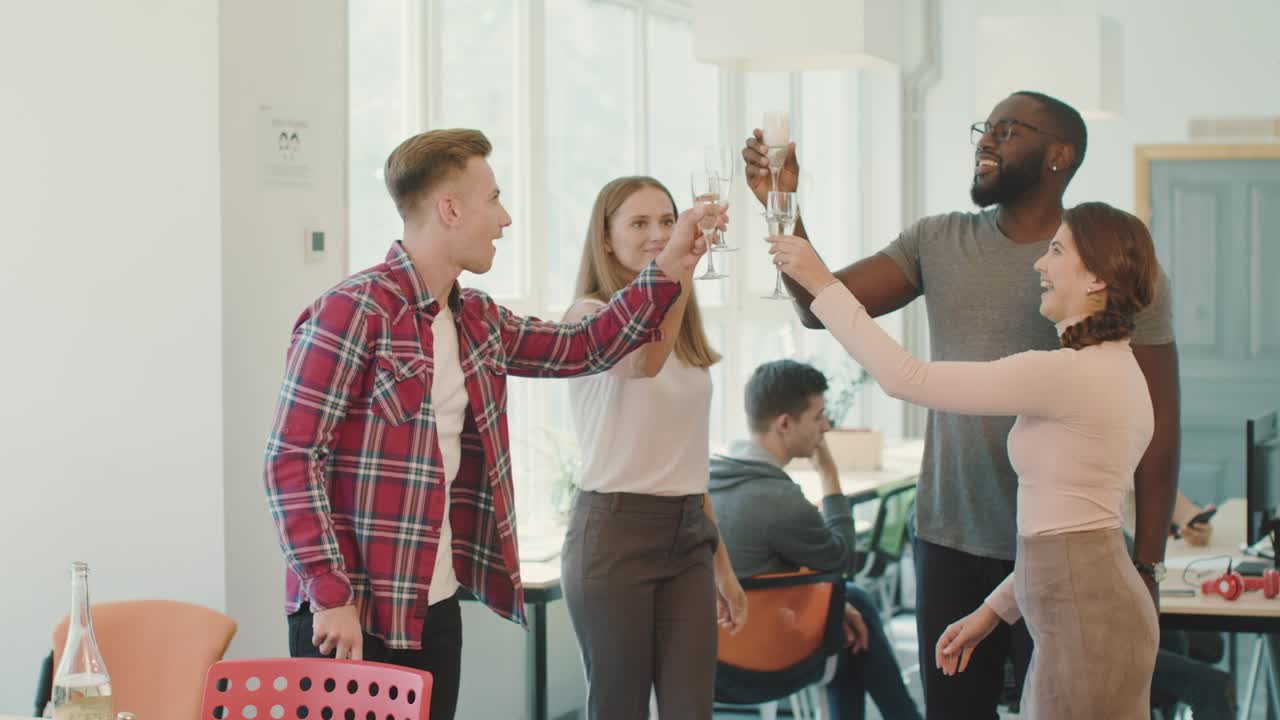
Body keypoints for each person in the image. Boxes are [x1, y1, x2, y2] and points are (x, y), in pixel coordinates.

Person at [743, 90, 1181, 718]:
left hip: (1076, 583)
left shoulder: (1080, 350)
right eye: (985, 126)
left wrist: (1150, 564)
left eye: (1008, 129)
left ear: (1059, 154)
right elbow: (823, 313)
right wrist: (782, 211)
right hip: (972, 544)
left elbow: (906, 376)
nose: (985, 140)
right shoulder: (942, 242)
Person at [262, 131, 713, 720]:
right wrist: (328, 594)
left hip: (433, 605)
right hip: (352, 612)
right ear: (449, 209)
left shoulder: (476, 317)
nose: (504, 219)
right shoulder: (354, 310)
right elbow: (291, 460)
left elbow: (585, 345)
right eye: (493, 199)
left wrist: (672, 263)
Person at [560, 176, 747, 720]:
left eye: (667, 221)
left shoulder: (683, 326)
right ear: (607, 237)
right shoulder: (588, 315)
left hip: (688, 534)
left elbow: (688, 461)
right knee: (620, 711)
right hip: (614, 535)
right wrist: (680, 263)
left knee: (693, 712)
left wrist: (723, 568)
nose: (657, 233)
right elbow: (643, 361)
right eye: (639, 223)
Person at [708, 359, 924, 720]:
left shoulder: (710, 480)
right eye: (818, 416)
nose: (826, 427)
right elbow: (842, 558)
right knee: (850, 604)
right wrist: (828, 473)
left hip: (710, 658)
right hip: (760, 661)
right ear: (784, 424)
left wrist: (836, 605)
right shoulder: (780, 500)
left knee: (845, 604)